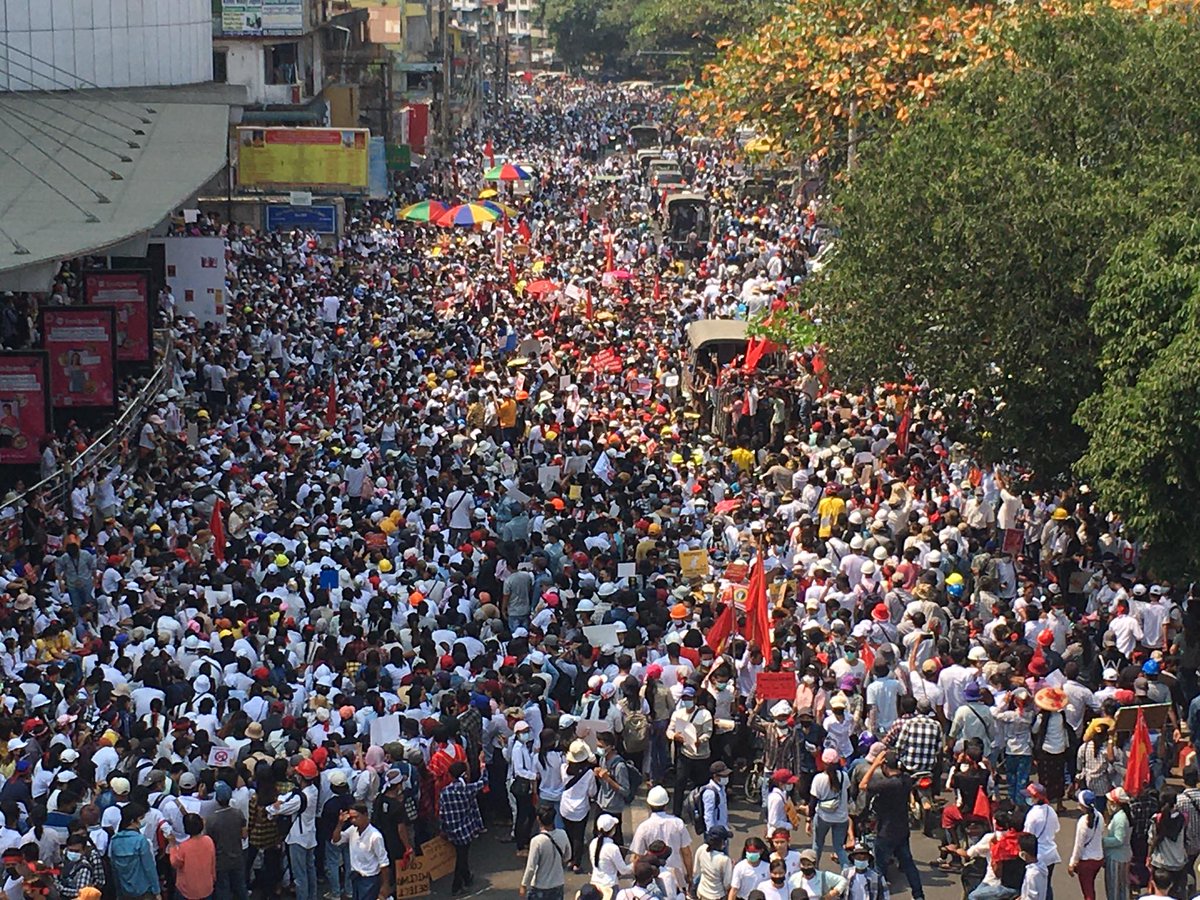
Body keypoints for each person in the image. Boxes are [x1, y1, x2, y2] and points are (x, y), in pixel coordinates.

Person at [859, 750, 924, 900]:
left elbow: (863, 785)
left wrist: (874, 765)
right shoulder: (906, 780)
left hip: (886, 831)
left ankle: (878, 896)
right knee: (909, 865)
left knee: (879, 868)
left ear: (885, 766)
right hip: (902, 829)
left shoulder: (887, 784)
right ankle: (919, 896)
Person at [437, 762, 488, 895]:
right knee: (462, 857)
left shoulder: (445, 792)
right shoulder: (468, 789)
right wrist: (483, 767)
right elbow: (483, 781)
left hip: (451, 830)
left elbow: (442, 813)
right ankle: (457, 886)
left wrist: (442, 829)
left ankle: (467, 877)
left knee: (461, 855)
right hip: (465, 830)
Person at [630, 786, 691, 890]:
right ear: (666, 804)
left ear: (649, 804)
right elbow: (686, 853)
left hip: (652, 877)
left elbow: (637, 857)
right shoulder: (678, 823)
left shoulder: (643, 827)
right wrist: (689, 875)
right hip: (676, 876)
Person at [330, 803, 389, 900]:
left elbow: (384, 863)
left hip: (370, 880)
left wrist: (385, 885)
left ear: (365, 815)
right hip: (356, 878)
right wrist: (340, 823)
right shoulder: (352, 830)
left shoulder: (375, 836)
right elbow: (336, 840)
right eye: (351, 818)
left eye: (356, 817)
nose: (353, 821)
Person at [809, 749, 852, 868]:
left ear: (823, 762)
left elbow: (813, 801)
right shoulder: (844, 776)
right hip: (841, 818)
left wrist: (809, 819)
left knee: (817, 845)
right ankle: (847, 872)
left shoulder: (818, 778)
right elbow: (848, 794)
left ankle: (814, 870)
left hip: (823, 816)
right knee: (839, 848)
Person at [107, 804, 160, 900]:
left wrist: (118, 892)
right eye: (141, 818)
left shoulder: (115, 840)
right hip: (144, 890)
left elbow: (114, 869)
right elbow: (149, 868)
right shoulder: (141, 840)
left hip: (124, 890)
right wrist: (157, 891)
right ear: (132, 821)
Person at [520, 806, 570, 900]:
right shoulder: (563, 834)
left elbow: (531, 867)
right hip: (558, 883)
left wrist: (524, 885)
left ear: (538, 819)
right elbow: (568, 856)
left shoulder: (537, 841)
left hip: (540, 885)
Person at [167, 813, 216, 900]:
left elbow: (175, 863)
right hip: (207, 885)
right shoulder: (208, 840)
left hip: (188, 888)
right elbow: (213, 861)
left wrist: (172, 845)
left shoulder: (184, 847)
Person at [1069, 790, 1105, 900]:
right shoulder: (1100, 816)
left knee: (1088, 893)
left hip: (1086, 861)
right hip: (1098, 858)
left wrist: (1072, 862)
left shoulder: (1082, 822)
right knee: (1090, 888)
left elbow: (1079, 845)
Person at [588, 813, 630, 900]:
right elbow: (623, 870)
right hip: (610, 885)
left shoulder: (593, 843)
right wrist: (634, 865)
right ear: (612, 830)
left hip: (595, 884)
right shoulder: (612, 848)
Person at [1103, 787, 1134, 900]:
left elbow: (1118, 840)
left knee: (1114, 888)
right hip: (1123, 856)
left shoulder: (1120, 818)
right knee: (1122, 887)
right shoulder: (1124, 815)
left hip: (1116, 858)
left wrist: (1102, 841)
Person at [693, 826, 733, 900]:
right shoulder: (725, 860)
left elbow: (696, 871)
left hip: (702, 892)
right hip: (717, 895)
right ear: (722, 842)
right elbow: (727, 883)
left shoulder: (701, 849)